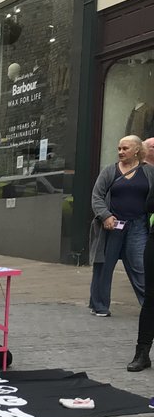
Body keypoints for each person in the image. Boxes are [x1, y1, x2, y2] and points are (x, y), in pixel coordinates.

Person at [89, 135, 152, 318]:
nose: (121, 152)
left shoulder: (148, 172)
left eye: (125, 149)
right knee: (104, 266)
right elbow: (97, 196)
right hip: (112, 226)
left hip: (138, 226)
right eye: (119, 149)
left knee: (140, 265)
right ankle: (99, 305)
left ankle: (148, 305)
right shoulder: (110, 171)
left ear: (137, 151)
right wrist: (105, 216)